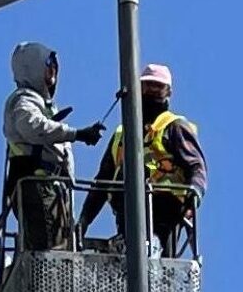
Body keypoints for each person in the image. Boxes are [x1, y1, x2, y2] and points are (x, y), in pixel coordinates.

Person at [78, 64, 207, 256]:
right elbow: (102, 183)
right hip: (127, 209)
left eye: (158, 87)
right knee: (131, 256)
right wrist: (84, 221)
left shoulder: (174, 127)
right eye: (148, 86)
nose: (153, 91)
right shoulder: (122, 135)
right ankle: (131, 248)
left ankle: (151, 250)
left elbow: (196, 166)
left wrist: (194, 192)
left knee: (158, 260)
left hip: (166, 209)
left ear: (168, 92)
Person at [3, 41, 105, 250]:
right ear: (31, 67)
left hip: (51, 190)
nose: (53, 68)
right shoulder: (24, 101)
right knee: (52, 253)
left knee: (59, 248)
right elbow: (32, 126)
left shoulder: (40, 104)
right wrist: (76, 134)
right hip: (40, 188)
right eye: (47, 62)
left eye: (54, 63)